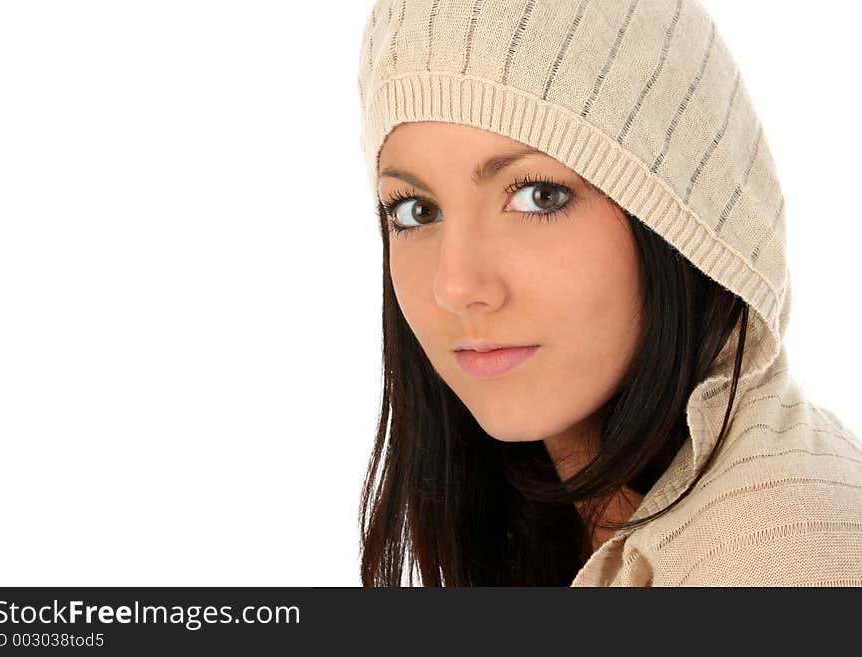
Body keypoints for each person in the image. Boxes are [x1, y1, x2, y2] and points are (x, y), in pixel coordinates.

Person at [355, 0, 862, 586]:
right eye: (417, 211)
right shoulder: (572, 526)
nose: (456, 286)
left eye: (539, 196)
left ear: (679, 217)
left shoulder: (786, 562)